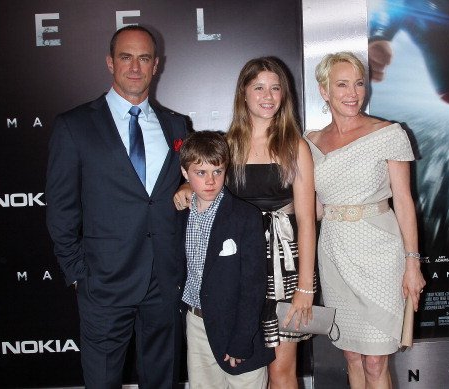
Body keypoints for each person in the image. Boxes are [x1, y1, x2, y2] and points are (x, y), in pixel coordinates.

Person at [45, 25, 188, 388]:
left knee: (163, 380)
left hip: (164, 281)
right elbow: (61, 210)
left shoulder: (177, 125)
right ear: (110, 62)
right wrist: (78, 273)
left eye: (144, 58)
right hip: (104, 284)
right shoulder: (74, 126)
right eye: (126, 57)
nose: (135, 67)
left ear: (157, 65)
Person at [174, 57, 317, 389]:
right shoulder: (228, 144)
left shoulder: (295, 147)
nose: (268, 96)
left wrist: (305, 288)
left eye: (275, 88)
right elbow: (203, 176)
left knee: (282, 370)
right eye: (259, 87)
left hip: (283, 269)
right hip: (235, 271)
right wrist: (184, 187)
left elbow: (307, 222)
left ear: (285, 95)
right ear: (244, 92)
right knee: (247, 370)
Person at [305, 52, 426, 389]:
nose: (352, 93)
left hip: (380, 254)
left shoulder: (388, 133)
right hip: (333, 253)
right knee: (352, 356)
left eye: (358, 83)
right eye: (342, 84)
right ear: (324, 91)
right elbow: (311, 209)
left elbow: (403, 201)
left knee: (375, 361)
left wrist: (412, 263)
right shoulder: (310, 141)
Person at [176, 131, 275, 388]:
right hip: (195, 322)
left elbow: (254, 286)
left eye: (217, 172)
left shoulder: (245, 216)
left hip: (237, 326)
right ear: (185, 174)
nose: (210, 181)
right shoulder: (179, 215)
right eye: (200, 173)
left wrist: (242, 338)